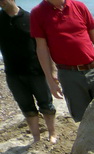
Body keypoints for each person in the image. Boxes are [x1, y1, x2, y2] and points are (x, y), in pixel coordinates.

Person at [29, 0, 94, 122]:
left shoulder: (79, 6)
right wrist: (50, 80)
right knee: (83, 119)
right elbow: (41, 48)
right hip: (68, 75)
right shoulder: (37, 13)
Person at [0, 0, 57, 142]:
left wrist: (53, 69)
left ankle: (52, 133)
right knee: (27, 107)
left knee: (46, 104)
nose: (1, 2)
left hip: (36, 71)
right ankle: (36, 137)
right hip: (13, 73)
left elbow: (46, 46)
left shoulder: (30, 18)